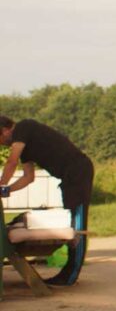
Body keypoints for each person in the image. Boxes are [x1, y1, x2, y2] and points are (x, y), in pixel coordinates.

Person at [1, 115, 95, 286]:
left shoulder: (23, 127)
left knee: (77, 225)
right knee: (72, 222)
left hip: (78, 170)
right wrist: (5, 191)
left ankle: (70, 275)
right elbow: (29, 178)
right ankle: (68, 272)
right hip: (68, 177)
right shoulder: (25, 149)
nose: (1, 144)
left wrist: (1, 185)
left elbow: (11, 162)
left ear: (6, 130)